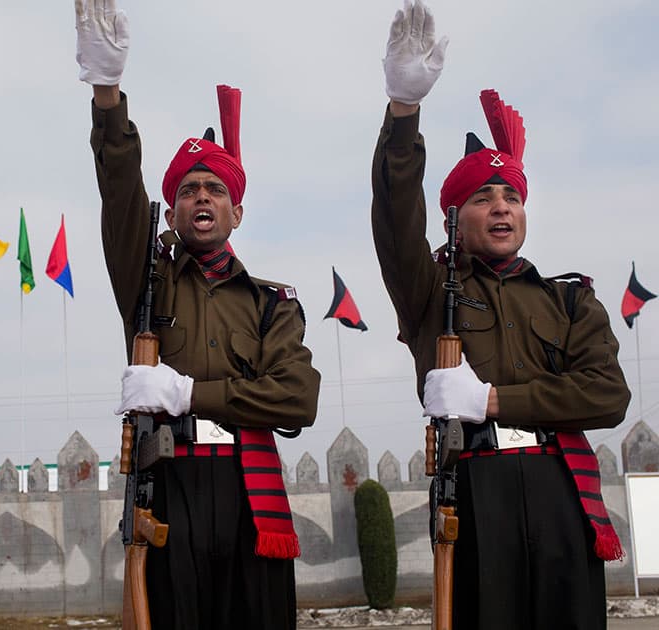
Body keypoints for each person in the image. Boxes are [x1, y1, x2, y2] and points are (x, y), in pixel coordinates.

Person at [371, 2, 631, 628]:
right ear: (454, 217)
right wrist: (403, 114)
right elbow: (394, 216)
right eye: (482, 197)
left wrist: (491, 401)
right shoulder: (430, 290)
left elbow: (606, 396)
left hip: (562, 492)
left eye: (511, 195)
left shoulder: (572, 300)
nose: (501, 207)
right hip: (476, 495)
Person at [74, 1, 321, 628]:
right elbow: (120, 191)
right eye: (188, 189)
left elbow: (296, 399)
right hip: (169, 491)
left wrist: (186, 392)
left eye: (215, 189)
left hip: (249, 494)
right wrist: (108, 97)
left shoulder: (273, 305)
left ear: (236, 212)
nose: (201, 197)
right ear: (174, 209)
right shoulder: (145, 281)